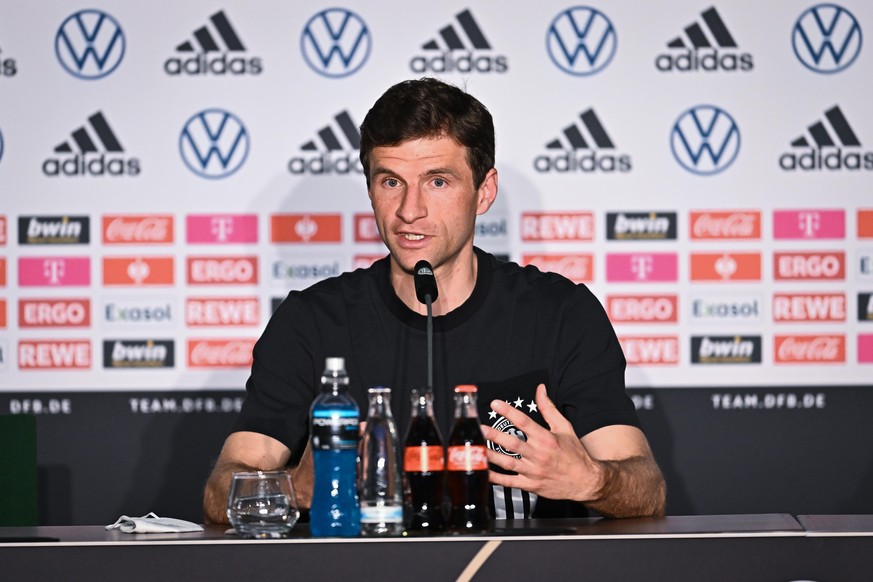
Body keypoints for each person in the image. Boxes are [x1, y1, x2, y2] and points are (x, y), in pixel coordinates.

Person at [203, 77, 665, 523]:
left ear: (484, 191)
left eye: (437, 182)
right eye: (390, 182)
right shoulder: (310, 321)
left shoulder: (562, 313)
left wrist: (592, 482)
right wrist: (295, 488)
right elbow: (221, 489)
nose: (410, 210)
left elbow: (647, 488)